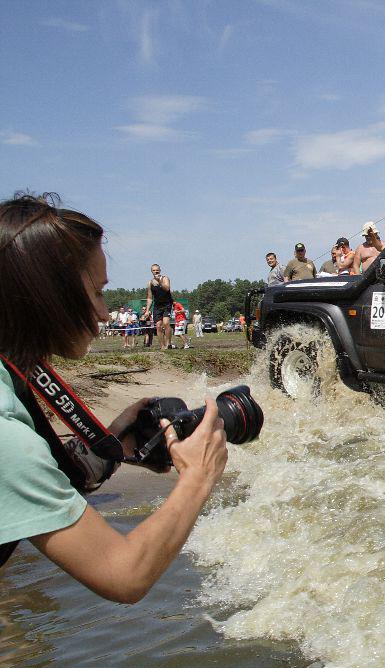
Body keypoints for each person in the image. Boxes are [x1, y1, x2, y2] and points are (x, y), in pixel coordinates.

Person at [0, 192, 228, 603]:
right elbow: (123, 574)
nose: (106, 314)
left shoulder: (12, 374)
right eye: (98, 292)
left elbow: (32, 481)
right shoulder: (6, 435)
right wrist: (199, 476)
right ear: (51, 294)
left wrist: (114, 440)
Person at [142, 264, 173, 350]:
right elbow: (149, 298)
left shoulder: (165, 278)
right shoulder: (150, 283)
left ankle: (168, 343)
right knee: (158, 325)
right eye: (154, 270)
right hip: (157, 305)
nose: (156, 271)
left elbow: (167, 288)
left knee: (166, 323)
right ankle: (162, 346)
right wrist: (147, 310)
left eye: (157, 270)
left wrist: (159, 281)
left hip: (167, 304)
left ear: (160, 270)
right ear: (151, 271)